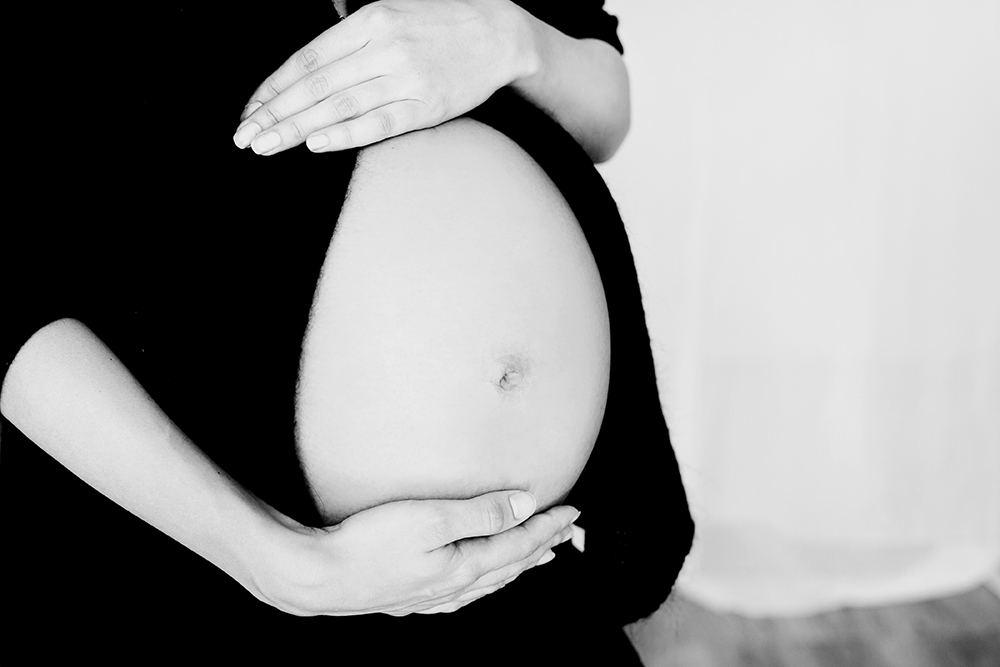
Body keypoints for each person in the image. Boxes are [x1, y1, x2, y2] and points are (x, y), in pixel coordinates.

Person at [1, 1, 693, 663]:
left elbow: (605, 109)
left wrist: (507, 38)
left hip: (527, 570)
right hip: (225, 556)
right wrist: (283, 560)